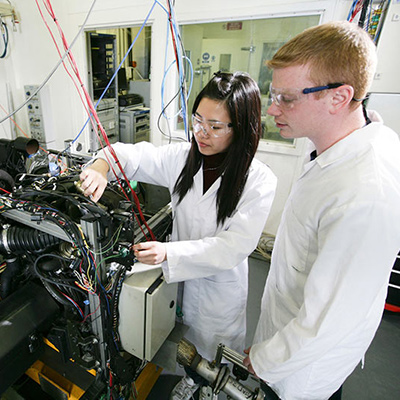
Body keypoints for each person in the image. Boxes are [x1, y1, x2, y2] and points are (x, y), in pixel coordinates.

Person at [79, 71, 277, 400]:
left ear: (241, 128)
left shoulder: (259, 181)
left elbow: (233, 247)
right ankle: (190, 379)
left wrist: (169, 254)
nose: (201, 132)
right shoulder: (183, 159)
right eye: (197, 120)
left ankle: (208, 387)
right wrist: (102, 165)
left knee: (213, 351)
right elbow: (133, 155)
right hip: (181, 283)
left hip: (219, 291)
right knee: (182, 345)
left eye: (215, 126)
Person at [243, 21, 400, 400]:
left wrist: (264, 360)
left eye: (287, 99)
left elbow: (328, 321)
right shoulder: (345, 140)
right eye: (273, 94)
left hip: (304, 374)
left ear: (339, 97)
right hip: (288, 332)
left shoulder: (365, 193)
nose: (272, 109)